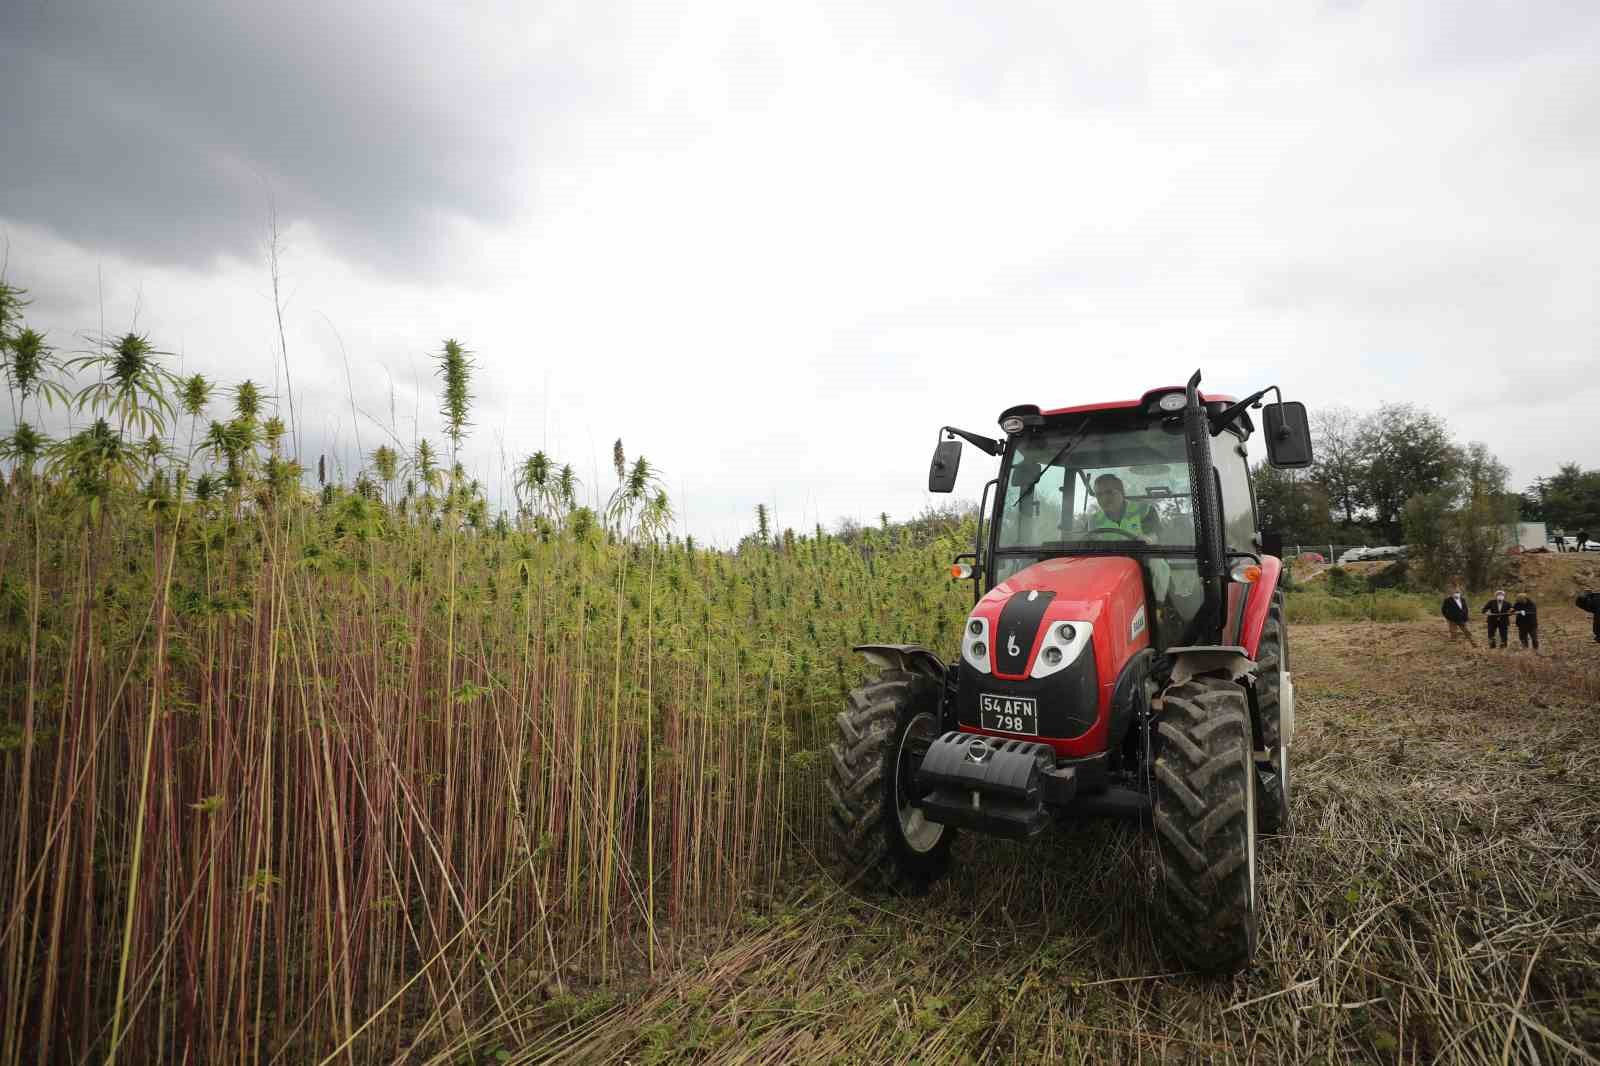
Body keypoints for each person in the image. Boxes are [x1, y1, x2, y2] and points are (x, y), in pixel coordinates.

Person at [1084, 473, 1161, 539]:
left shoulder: (1145, 511)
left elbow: (1154, 538)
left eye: (1109, 492)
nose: (1104, 498)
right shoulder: (1093, 521)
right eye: (1099, 495)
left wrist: (1147, 540)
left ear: (1121, 492)